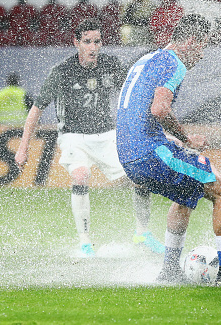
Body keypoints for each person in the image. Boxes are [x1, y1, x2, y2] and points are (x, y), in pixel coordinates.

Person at [115, 14, 221, 287]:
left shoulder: (146, 59)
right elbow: (159, 109)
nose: (202, 55)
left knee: (186, 194)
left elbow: (135, 111)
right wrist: (186, 138)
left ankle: (169, 271)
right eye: (203, 46)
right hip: (149, 151)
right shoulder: (174, 62)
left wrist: (171, 140)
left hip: (129, 153)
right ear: (191, 41)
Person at [15, 18, 164, 258]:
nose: (93, 47)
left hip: (107, 135)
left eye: (97, 41)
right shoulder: (61, 71)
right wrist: (23, 148)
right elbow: (36, 110)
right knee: (80, 175)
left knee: (139, 177)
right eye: (87, 42)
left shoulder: (111, 65)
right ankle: (85, 242)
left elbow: (132, 94)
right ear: (76, 42)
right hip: (73, 137)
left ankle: (142, 233)